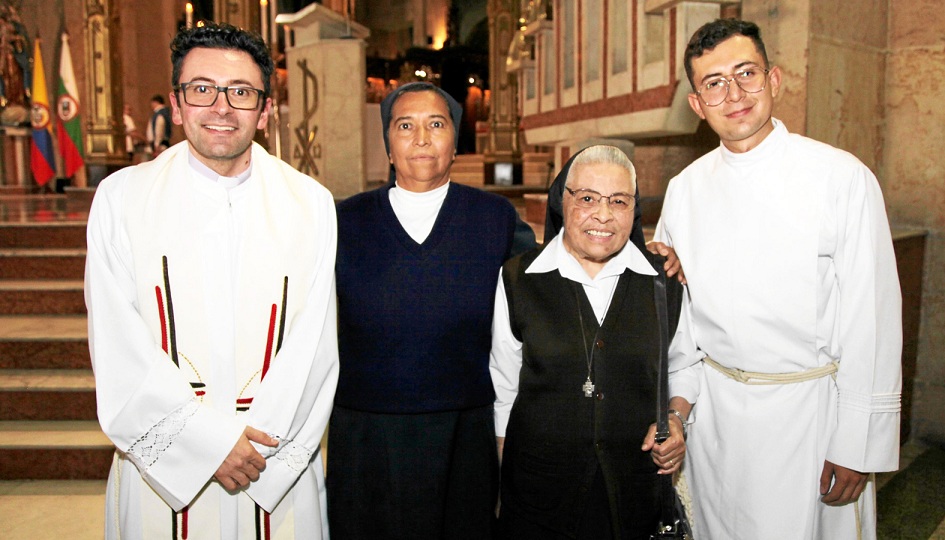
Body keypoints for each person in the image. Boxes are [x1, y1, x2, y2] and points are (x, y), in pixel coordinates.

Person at [85, 22, 338, 539]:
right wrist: (203, 446)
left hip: (272, 468)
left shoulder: (310, 203)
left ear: (265, 110)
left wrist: (254, 452)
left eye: (241, 92)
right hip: (161, 478)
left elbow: (316, 346)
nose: (221, 107)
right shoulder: (121, 199)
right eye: (202, 89)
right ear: (177, 105)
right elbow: (116, 343)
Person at [655, 19, 902, 539]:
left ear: (775, 80)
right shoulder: (684, 190)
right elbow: (680, 322)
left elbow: (872, 320)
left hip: (811, 420)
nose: (735, 93)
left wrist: (857, 444)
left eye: (746, 73)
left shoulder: (841, 178)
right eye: (714, 83)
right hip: (717, 422)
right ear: (698, 105)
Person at [329, 82, 533, 539]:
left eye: (435, 124)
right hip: (367, 436)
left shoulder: (494, 219)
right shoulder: (344, 221)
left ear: (455, 142)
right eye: (406, 125)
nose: (421, 137)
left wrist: (644, 257)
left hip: (464, 434)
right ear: (388, 143)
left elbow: (551, 281)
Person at [490, 145, 689, 539]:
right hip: (539, 496)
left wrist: (677, 420)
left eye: (619, 200)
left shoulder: (662, 280)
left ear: (635, 208)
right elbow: (504, 385)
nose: (603, 214)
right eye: (587, 198)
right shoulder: (519, 278)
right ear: (563, 201)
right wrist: (508, 482)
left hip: (633, 491)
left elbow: (684, 365)